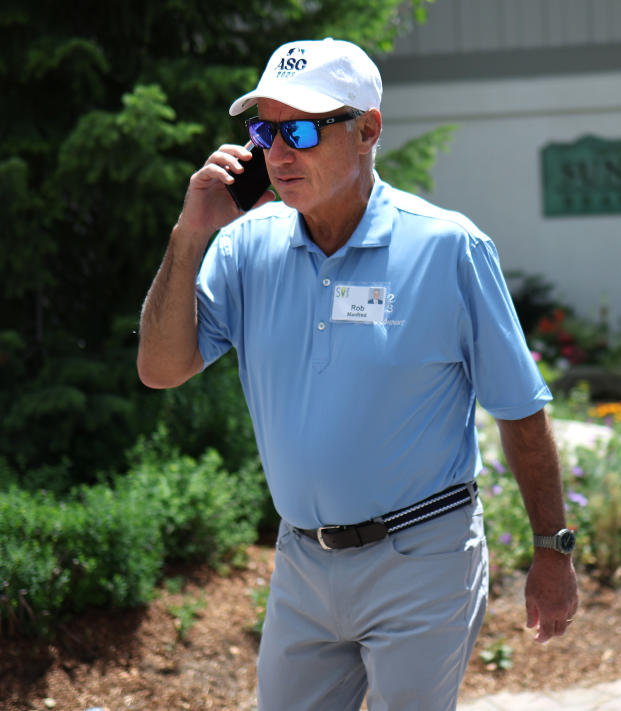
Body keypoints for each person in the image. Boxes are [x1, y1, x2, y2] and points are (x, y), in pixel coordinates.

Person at [136, 38, 579, 711]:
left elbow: (519, 408)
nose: (279, 154)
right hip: (303, 568)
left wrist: (552, 549)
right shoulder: (243, 247)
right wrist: (188, 236)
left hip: (422, 558)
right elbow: (161, 368)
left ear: (368, 129)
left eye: (305, 130)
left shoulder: (447, 247)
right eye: (266, 131)